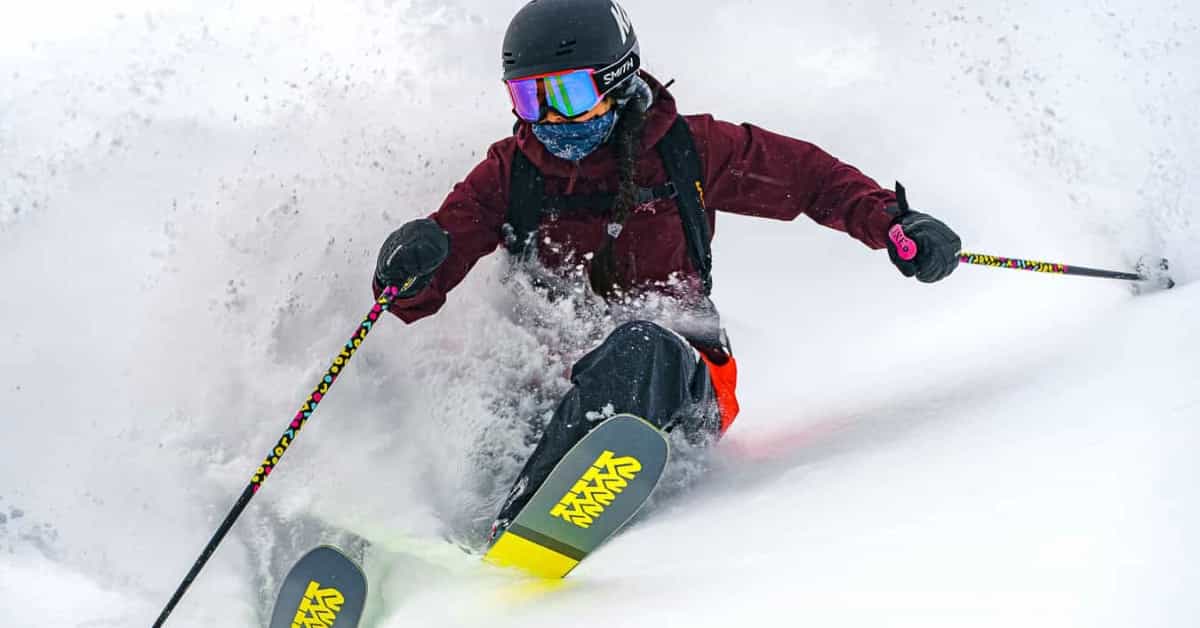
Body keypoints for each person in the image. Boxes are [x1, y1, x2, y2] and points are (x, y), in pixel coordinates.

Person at [372, 0, 961, 542]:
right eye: (530, 99)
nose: (550, 118)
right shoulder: (511, 172)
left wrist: (892, 224)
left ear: (617, 79)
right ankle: (429, 529)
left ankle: (520, 530)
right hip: (551, 392)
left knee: (641, 347)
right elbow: (425, 279)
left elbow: (812, 180)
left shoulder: (689, 150)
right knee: (470, 380)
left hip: (684, 385)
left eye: (569, 95)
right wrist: (411, 270)